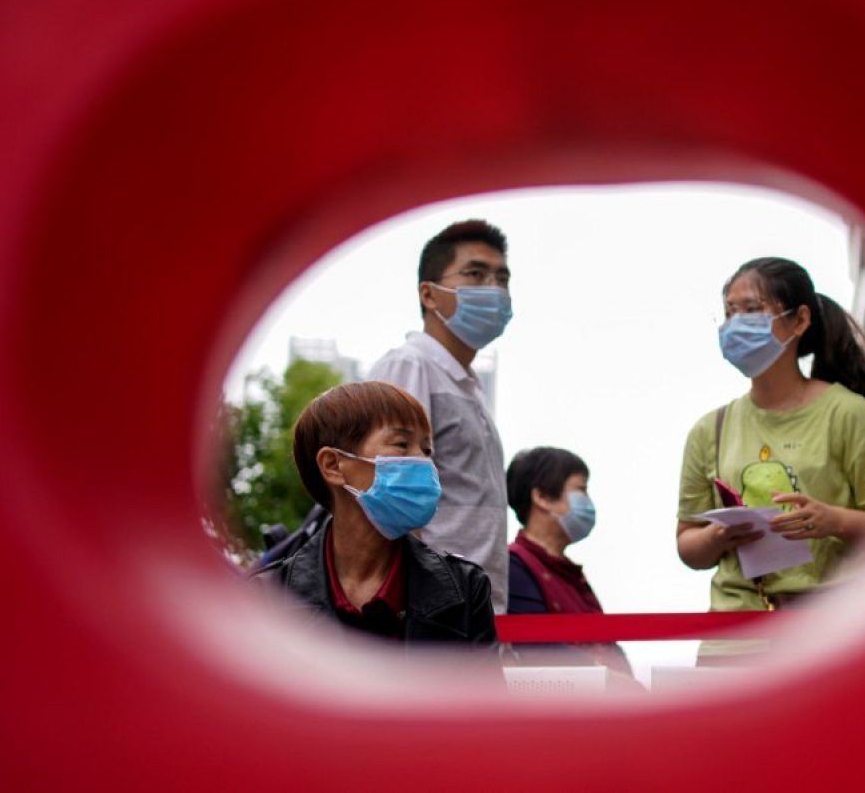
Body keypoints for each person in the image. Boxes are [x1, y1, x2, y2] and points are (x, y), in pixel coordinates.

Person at [676, 257, 865, 659]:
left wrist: (833, 520)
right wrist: (718, 536)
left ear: (799, 320)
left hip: (831, 639)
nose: (735, 325)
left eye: (752, 310)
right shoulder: (709, 430)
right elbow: (687, 544)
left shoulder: (849, 415)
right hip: (733, 643)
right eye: (729, 313)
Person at [253, 381, 496, 647]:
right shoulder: (266, 596)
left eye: (427, 450)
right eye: (402, 444)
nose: (423, 462)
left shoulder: (466, 589)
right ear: (333, 465)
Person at [365, 220, 512, 613]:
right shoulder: (409, 366)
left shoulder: (471, 388)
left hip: (476, 612)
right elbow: (389, 499)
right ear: (429, 294)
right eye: (475, 274)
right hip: (431, 612)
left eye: (502, 277)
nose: (494, 289)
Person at [505, 447, 634, 679]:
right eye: (581, 490)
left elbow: (607, 644)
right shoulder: (515, 566)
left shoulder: (569, 573)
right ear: (542, 497)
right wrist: (609, 679)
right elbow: (537, 649)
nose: (588, 502)